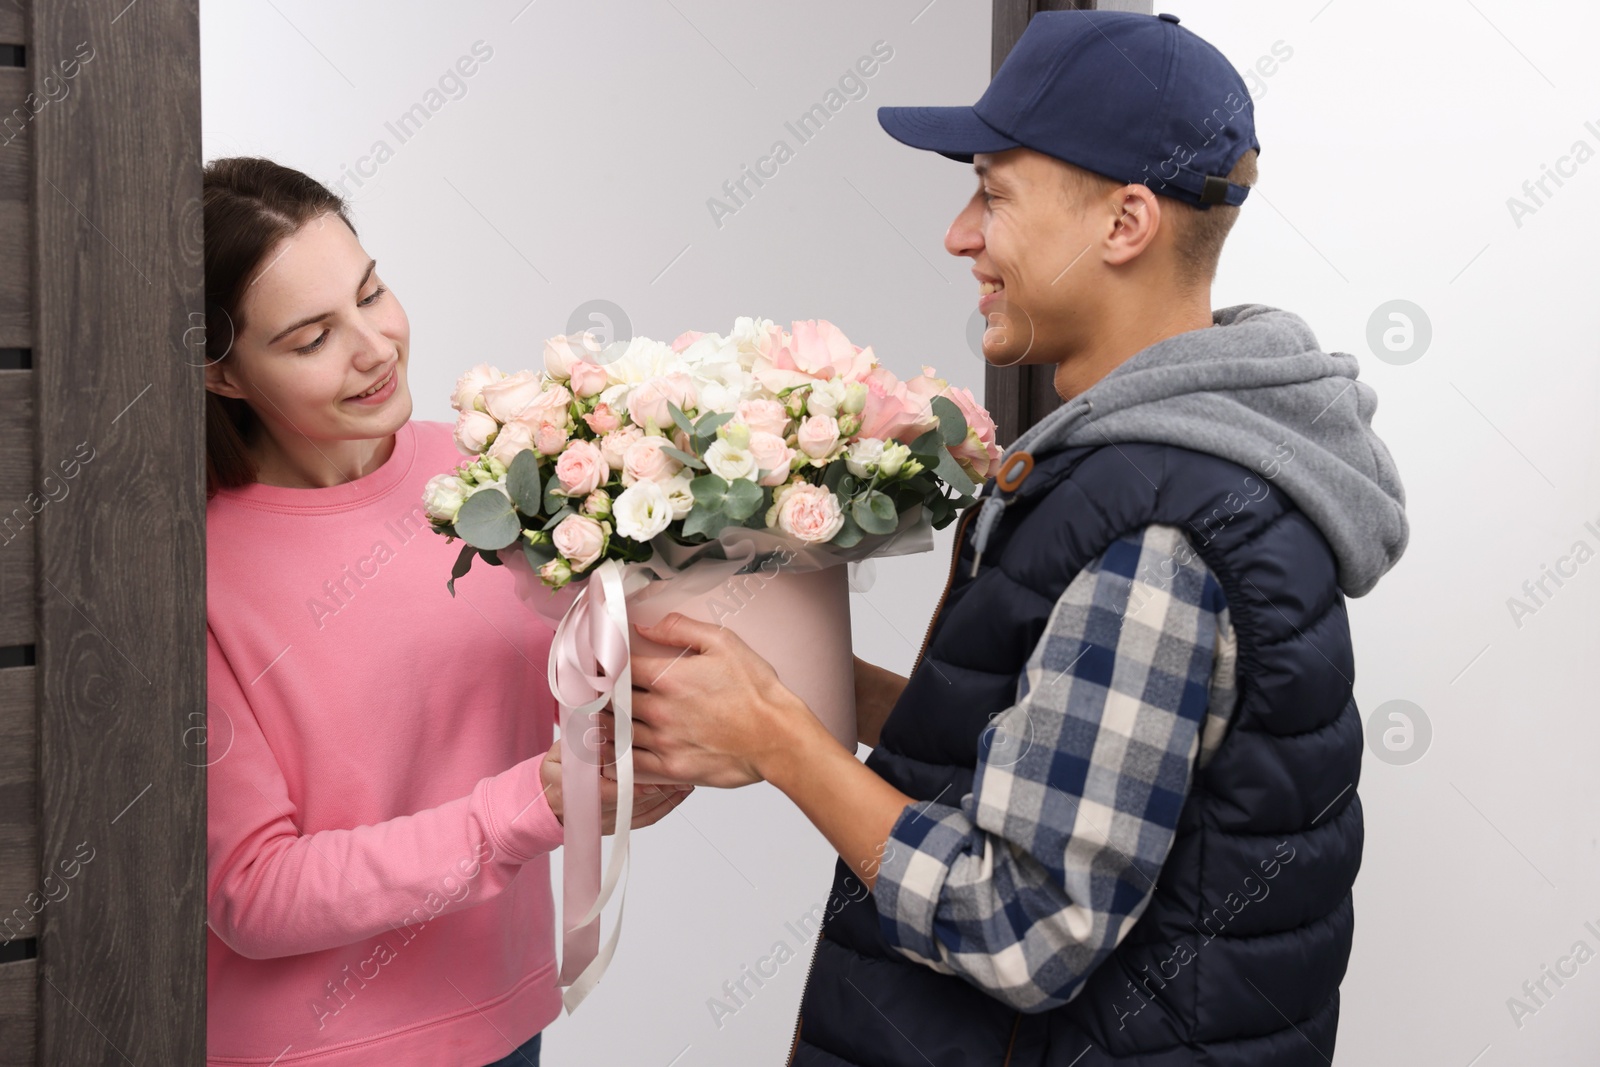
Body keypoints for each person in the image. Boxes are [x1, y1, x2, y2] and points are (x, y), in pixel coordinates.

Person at [615, 10, 1408, 1065]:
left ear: (1125, 223)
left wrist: (782, 741)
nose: (959, 233)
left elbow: (1019, 925)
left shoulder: (1161, 525)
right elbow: (1071, 770)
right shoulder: (1171, 466)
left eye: (992, 193)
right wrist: (822, 692)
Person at [200, 156, 692, 1067]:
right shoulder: (191, 570)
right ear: (222, 375)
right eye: (311, 339)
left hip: (504, 1019)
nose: (375, 346)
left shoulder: (483, 472)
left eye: (372, 291)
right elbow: (250, 891)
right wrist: (525, 807)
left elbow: (570, 689)